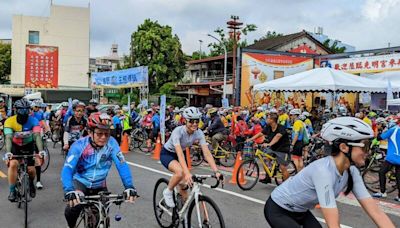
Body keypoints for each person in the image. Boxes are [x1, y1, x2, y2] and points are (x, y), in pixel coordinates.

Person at [264, 117, 395, 228]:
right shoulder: (323, 172)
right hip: (278, 209)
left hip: (301, 211)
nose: (369, 152)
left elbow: (375, 212)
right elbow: (332, 221)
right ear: (344, 147)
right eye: (365, 146)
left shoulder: (352, 171)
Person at [61, 112, 137, 228]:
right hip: (81, 182)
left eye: (107, 134)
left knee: (102, 216)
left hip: (100, 185)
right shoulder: (79, 145)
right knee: (73, 207)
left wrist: (129, 186)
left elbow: (122, 165)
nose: (104, 137)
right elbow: (67, 168)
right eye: (99, 134)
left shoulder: (112, 143)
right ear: (90, 132)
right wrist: (69, 190)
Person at [160, 107, 223, 208]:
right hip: (168, 153)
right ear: (185, 121)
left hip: (182, 154)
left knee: (185, 185)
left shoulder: (199, 133)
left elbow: (206, 153)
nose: (194, 124)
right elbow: (179, 153)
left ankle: (183, 216)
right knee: (180, 172)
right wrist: (187, 173)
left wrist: (216, 171)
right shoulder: (178, 131)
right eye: (191, 121)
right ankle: (168, 191)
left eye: (197, 121)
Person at [3, 99, 45, 202]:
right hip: (14, 146)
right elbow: (8, 137)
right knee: (13, 164)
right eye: (21, 110)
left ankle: (31, 183)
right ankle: (12, 191)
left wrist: (41, 150)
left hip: (28, 146)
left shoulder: (33, 121)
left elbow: (37, 136)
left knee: (31, 170)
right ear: (16, 110)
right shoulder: (9, 121)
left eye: (26, 110)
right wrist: (8, 152)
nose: (24, 113)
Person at [247, 113, 291, 182]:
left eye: (268, 118)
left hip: (283, 149)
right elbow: (260, 134)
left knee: (283, 167)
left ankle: (287, 185)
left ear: (272, 120)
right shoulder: (268, 127)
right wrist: (251, 139)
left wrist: (269, 144)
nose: (266, 119)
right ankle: (268, 177)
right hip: (273, 148)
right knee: (265, 159)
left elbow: (277, 137)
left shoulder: (281, 128)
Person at [372, 119, 400, 201]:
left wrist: (377, 130)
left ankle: (382, 192)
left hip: (392, 157)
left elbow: (380, 137)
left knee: (382, 172)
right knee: (399, 177)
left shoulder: (393, 129)